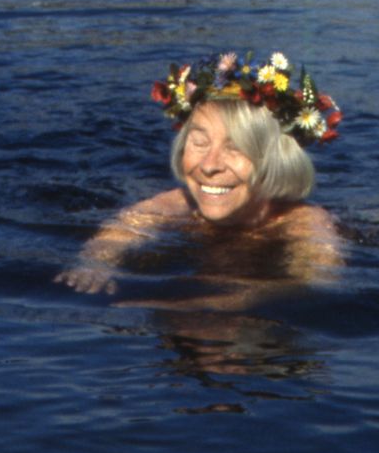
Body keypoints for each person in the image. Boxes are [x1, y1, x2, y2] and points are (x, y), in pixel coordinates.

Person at [55, 49, 343, 303]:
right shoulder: (177, 205)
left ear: (275, 160)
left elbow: (314, 284)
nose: (210, 165)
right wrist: (96, 264)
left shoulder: (302, 223)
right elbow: (119, 234)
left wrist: (207, 305)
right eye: (200, 143)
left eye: (235, 148)